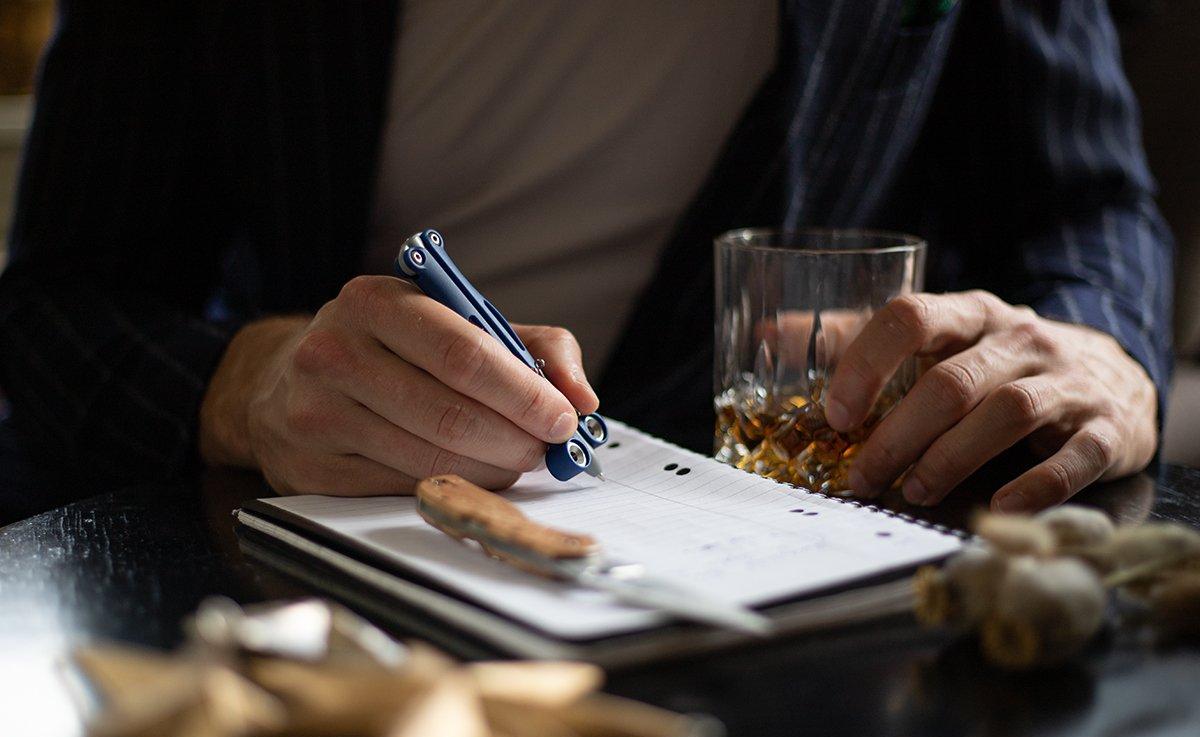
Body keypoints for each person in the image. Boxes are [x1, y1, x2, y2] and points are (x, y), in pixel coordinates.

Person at [0, 1, 1170, 522]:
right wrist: (247, 388)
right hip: (325, 564)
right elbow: (55, 300)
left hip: (802, 562)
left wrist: (1108, 347)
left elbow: (1087, 199)